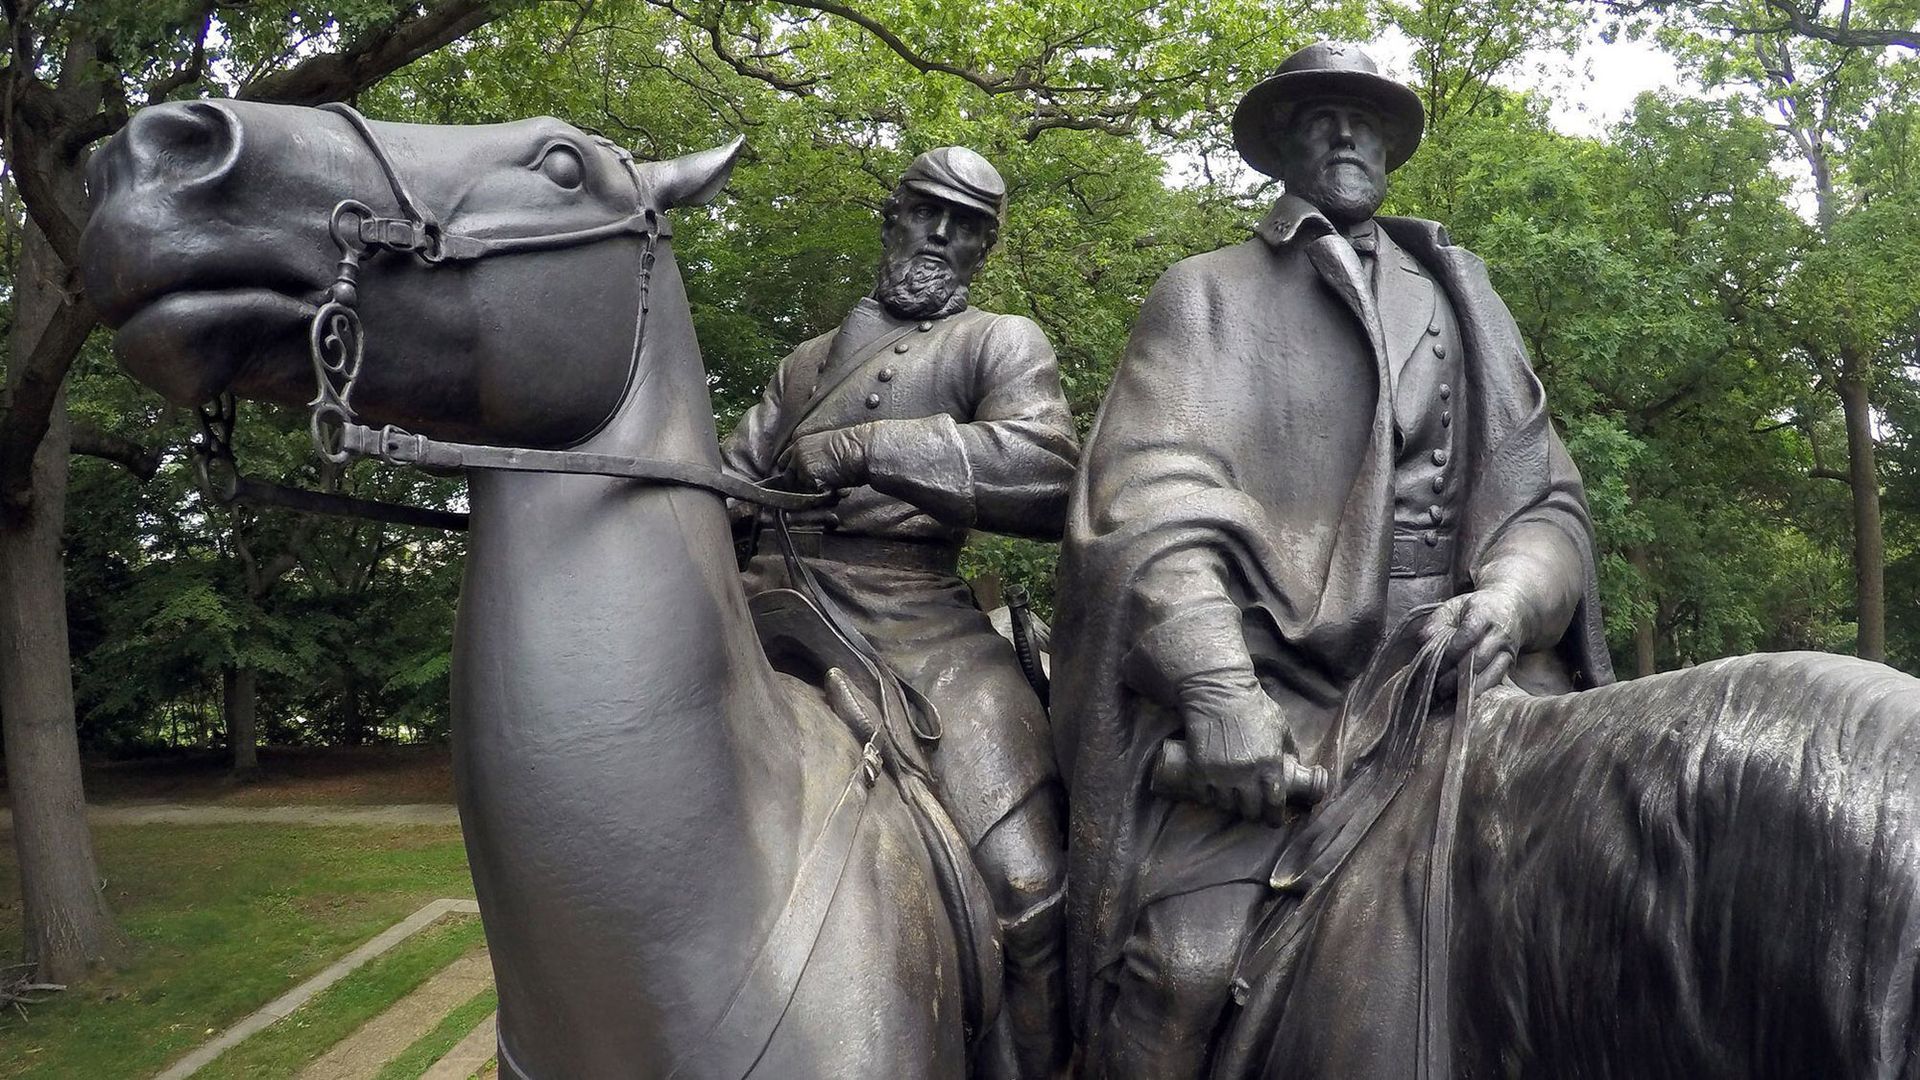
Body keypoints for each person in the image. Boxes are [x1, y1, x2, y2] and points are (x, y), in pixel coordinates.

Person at [1052, 41, 1615, 1078]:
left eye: (1367, 117)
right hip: (1289, 702)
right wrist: (1220, 693)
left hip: (1475, 686)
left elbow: (1546, 502)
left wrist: (1512, 597)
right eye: (1322, 116)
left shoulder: (1462, 297)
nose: (1349, 133)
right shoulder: (1206, 294)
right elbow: (1150, 503)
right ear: (1282, 145)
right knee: (1180, 972)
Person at [722, 147, 1078, 1079]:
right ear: (894, 217)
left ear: (984, 249)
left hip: (919, 622)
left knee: (1032, 888)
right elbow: (725, 478)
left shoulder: (1002, 343)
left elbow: (1047, 472)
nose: (943, 237)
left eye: (969, 227)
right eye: (928, 213)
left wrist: (867, 448)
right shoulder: (803, 365)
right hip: (770, 607)